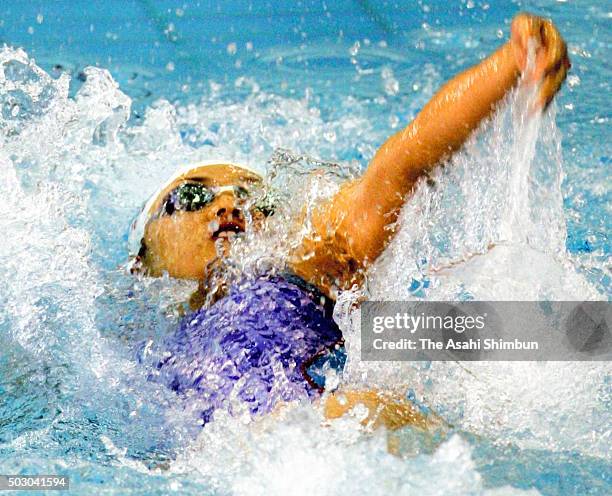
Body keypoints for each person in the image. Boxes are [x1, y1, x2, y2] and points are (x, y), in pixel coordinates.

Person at [129, 13, 569, 429]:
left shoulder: (303, 263)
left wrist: (511, 65)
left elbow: (400, 165)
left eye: (251, 196)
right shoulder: (129, 348)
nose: (228, 206)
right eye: (192, 196)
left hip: (329, 430)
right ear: (141, 261)